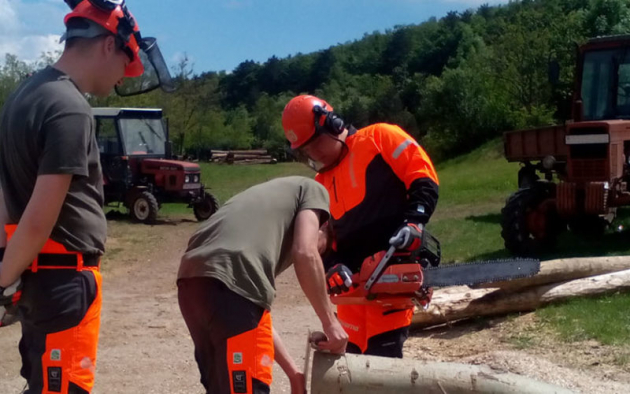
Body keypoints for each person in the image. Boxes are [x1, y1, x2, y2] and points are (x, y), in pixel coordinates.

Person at [0, 1, 173, 392]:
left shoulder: (22, 95)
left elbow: (4, 191)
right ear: (108, 45)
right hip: (64, 280)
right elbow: (41, 214)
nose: (118, 82)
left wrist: (6, 267)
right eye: (124, 68)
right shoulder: (69, 107)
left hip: (35, 277)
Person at [282, 95, 439, 358]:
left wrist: (414, 222)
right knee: (350, 364)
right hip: (352, 293)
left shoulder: (381, 138)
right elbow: (322, 241)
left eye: (316, 142)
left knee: (383, 364)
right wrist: (333, 265)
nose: (314, 153)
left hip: (393, 277)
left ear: (332, 124)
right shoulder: (319, 184)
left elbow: (423, 178)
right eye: (306, 150)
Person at [177, 176, 348, 394]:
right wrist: (330, 324)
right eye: (323, 251)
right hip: (226, 290)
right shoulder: (313, 190)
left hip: (192, 283)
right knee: (247, 386)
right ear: (323, 226)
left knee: (224, 388)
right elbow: (305, 252)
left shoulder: (259, 226)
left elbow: (252, 320)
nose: (319, 257)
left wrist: (294, 374)